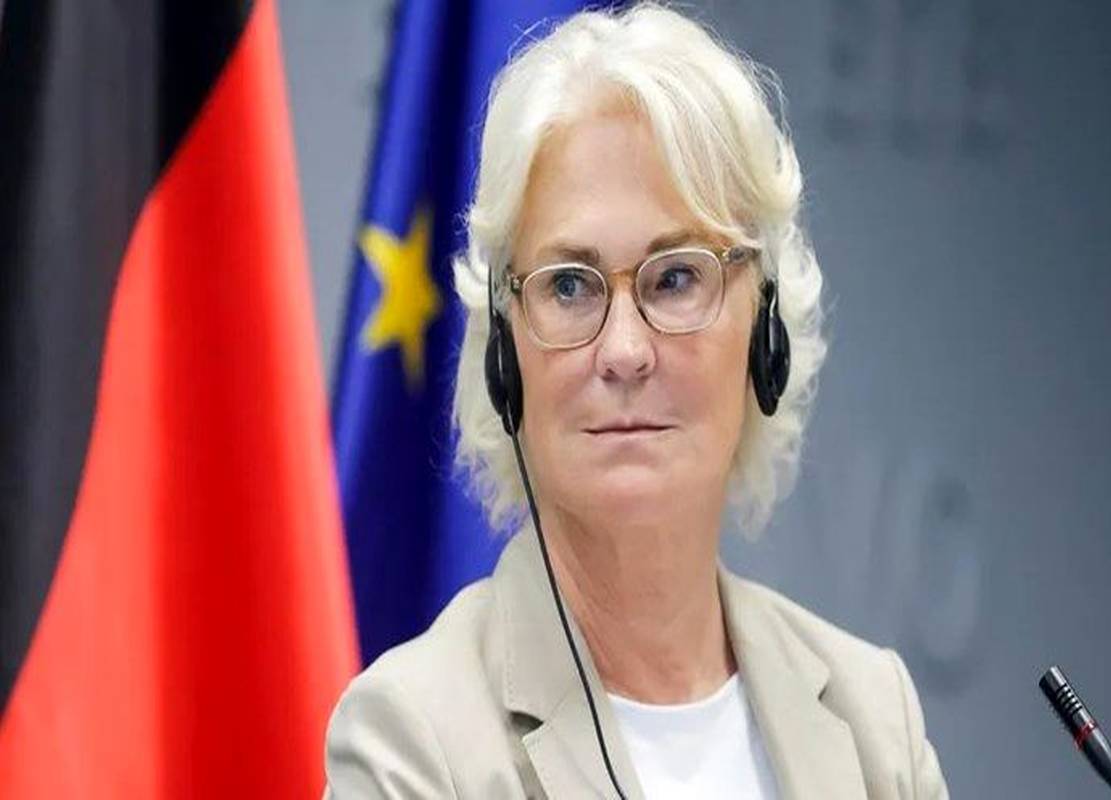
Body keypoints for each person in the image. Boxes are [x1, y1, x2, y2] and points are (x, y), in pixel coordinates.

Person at [324, 4, 949, 798]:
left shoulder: (873, 720)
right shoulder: (411, 738)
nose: (624, 351)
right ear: (505, 358)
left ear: (764, 335)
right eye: (570, 286)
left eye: (676, 277)